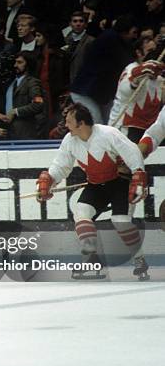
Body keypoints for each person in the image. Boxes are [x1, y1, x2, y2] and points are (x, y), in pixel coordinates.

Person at [36, 103, 149, 281]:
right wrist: (49, 180)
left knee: (120, 221)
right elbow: (60, 165)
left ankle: (139, 260)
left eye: (69, 122)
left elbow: (132, 152)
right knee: (81, 214)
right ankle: (91, 259)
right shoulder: (69, 140)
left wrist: (139, 174)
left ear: (81, 123)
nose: (66, 125)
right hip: (96, 185)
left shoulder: (108, 133)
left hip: (120, 182)